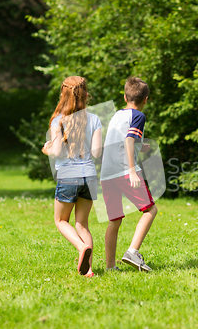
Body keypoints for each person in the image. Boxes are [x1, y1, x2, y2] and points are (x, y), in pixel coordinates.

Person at [41, 76, 102, 277]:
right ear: (85, 94)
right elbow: (96, 153)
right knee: (82, 224)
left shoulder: (58, 120)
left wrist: (46, 149)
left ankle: (80, 247)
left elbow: (57, 150)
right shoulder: (94, 119)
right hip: (90, 177)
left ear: (63, 94)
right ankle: (89, 270)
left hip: (68, 177)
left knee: (60, 221)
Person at [100, 76, 157, 272]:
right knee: (150, 210)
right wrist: (132, 171)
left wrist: (141, 147)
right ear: (146, 99)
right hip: (125, 171)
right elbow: (128, 141)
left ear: (125, 97)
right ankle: (133, 251)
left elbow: (121, 141)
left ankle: (110, 267)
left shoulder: (117, 115)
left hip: (107, 174)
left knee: (114, 220)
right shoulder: (139, 116)